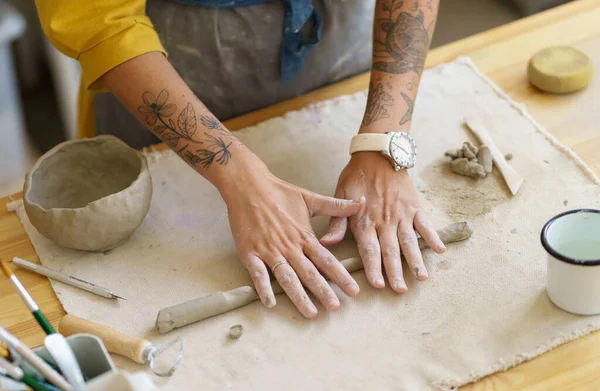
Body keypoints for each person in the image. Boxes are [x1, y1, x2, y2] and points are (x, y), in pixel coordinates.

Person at [34, 0, 445, 319]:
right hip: (175, 66)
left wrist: (383, 139)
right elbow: (102, 21)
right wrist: (244, 181)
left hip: (340, 46)